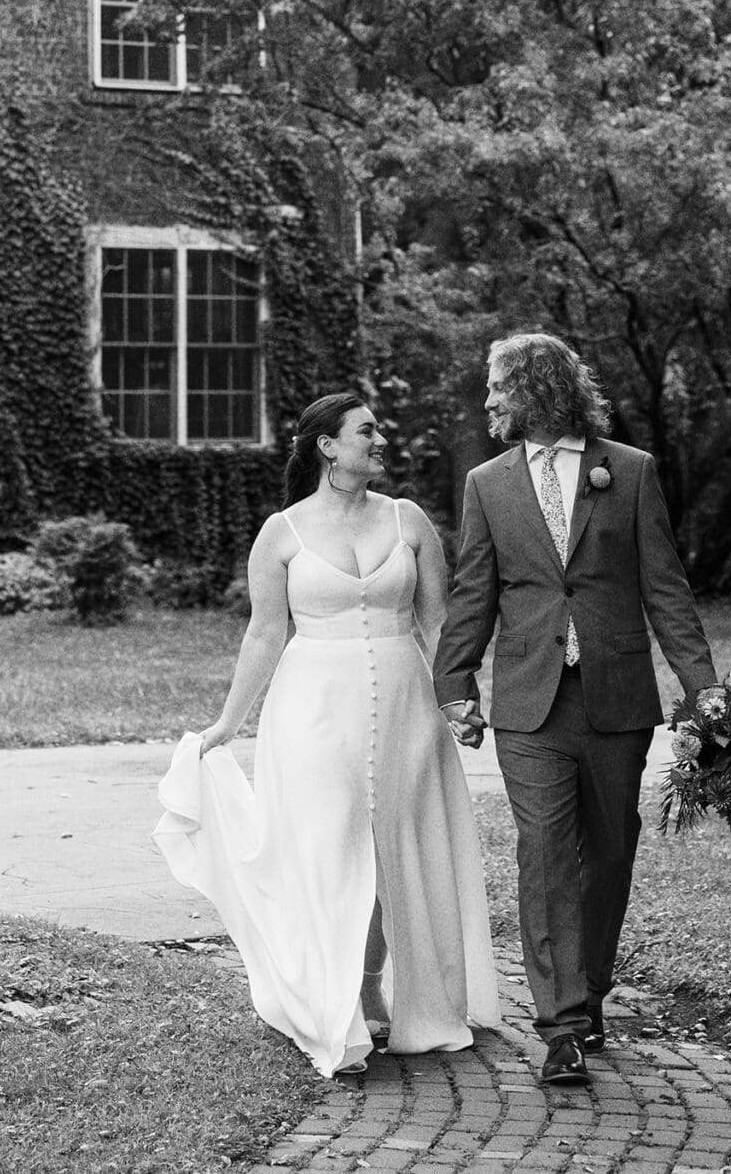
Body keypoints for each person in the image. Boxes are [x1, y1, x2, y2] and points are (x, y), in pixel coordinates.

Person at [156, 392, 499, 1078]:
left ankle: (383, 990)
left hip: (406, 705)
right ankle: (334, 1002)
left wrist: (459, 698)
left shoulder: (408, 519)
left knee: (397, 848)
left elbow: (437, 622)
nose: (381, 440)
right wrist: (229, 722)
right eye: (367, 431)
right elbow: (264, 633)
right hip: (311, 710)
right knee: (331, 847)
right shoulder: (281, 532)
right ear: (328, 446)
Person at [433, 333, 719, 1088]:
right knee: (546, 855)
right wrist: (454, 683)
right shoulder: (487, 484)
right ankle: (560, 1027)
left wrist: (704, 690)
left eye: (499, 386)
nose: (489, 400)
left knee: (611, 851)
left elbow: (666, 590)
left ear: (538, 388)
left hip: (616, 698)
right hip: (529, 703)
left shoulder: (629, 470)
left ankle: (589, 992)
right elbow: (474, 591)